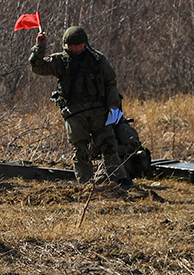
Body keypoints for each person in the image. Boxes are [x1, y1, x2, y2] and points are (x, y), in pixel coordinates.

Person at [29, 26, 140, 194]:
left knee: (109, 144)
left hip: (99, 112)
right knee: (81, 149)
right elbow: (38, 67)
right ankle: (86, 187)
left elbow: (110, 82)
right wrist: (40, 47)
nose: (78, 48)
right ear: (67, 45)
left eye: (80, 45)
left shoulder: (97, 59)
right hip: (75, 114)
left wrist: (113, 106)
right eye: (74, 45)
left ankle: (120, 180)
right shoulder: (60, 61)